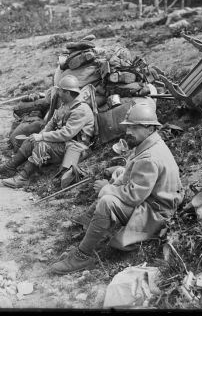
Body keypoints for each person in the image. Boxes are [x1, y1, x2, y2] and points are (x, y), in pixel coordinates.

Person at [50, 102, 184, 274]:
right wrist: (117, 178)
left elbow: (134, 196)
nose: (129, 131)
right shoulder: (150, 144)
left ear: (150, 128)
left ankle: (83, 256)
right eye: (128, 126)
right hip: (154, 200)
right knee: (119, 174)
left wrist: (108, 188)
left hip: (156, 212)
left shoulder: (149, 157)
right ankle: (86, 225)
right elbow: (134, 177)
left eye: (135, 127)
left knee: (107, 201)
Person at [0, 75, 95, 188]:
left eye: (60, 91)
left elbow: (66, 133)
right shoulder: (66, 104)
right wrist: (39, 135)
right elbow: (52, 123)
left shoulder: (81, 110)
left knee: (42, 145)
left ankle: (22, 178)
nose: (58, 93)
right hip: (64, 143)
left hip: (76, 147)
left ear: (68, 93)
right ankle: (9, 167)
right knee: (31, 140)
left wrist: (42, 137)